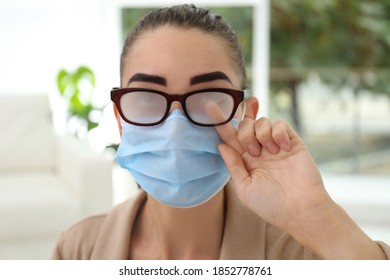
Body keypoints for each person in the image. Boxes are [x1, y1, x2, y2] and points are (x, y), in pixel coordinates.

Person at [52, 4, 390, 260]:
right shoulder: (78, 250)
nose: (176, 125)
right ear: (120, 117)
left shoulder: (303, 254)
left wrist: (319, 218)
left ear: (247, 115)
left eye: (208, 98)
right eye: (147, 98)